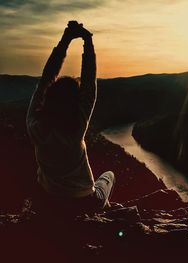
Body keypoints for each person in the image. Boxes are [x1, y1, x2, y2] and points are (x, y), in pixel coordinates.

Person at [26, 21, 115, 213]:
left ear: (47, 98)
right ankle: (105, 211)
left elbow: (46, 78)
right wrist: (87, 40)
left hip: (50, 197)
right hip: (83, 199)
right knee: (108, 177)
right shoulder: (76, 126)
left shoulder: (34, 126)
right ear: (75, 103)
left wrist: (65, 39)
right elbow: (89, 83)